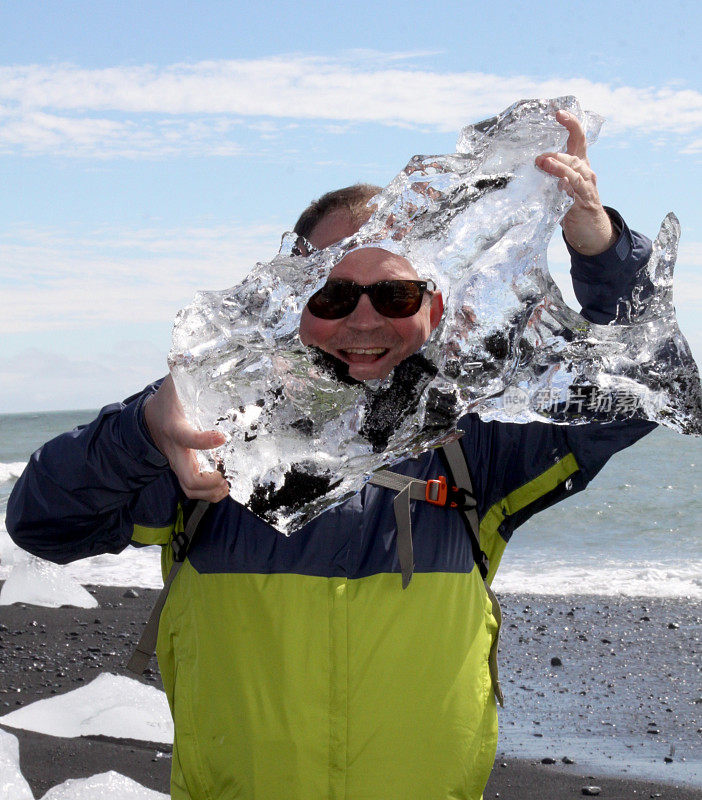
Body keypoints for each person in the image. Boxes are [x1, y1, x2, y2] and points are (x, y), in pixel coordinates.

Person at [7, 111, 656, 800]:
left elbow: (644, 390)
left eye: (396, 292)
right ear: (289, 300)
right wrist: (137, 430)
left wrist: (599, 248)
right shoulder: (202, 435)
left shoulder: (475, 445)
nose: (365, 318)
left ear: (434, 306)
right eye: (334, 292)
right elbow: (44, 523)